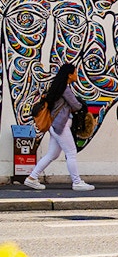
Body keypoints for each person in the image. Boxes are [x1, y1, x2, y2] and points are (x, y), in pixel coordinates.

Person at [24, 63, 93, 191]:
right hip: (61, 126)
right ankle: (77, 182)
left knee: (52, 154)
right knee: (71, 152)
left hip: (55, 125)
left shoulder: (58, 88)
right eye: (76, 73)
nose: (77, 75)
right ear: (69, 75)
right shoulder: (65, 90)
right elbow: (76, 105)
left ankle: (32, 178)